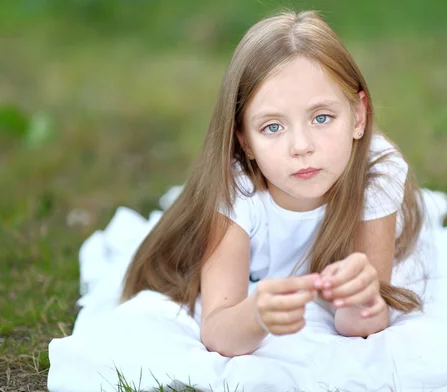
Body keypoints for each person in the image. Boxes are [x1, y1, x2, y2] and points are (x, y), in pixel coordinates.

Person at [120, 10, 425, 357]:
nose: (301, 146)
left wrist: (363, 298)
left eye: (322, 117)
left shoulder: (375, 176)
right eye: (272, 127)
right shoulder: (237, 194)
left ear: (357, 115)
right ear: (245, 140)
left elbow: (363, 326)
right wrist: (254, 315)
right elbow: (218, 331)